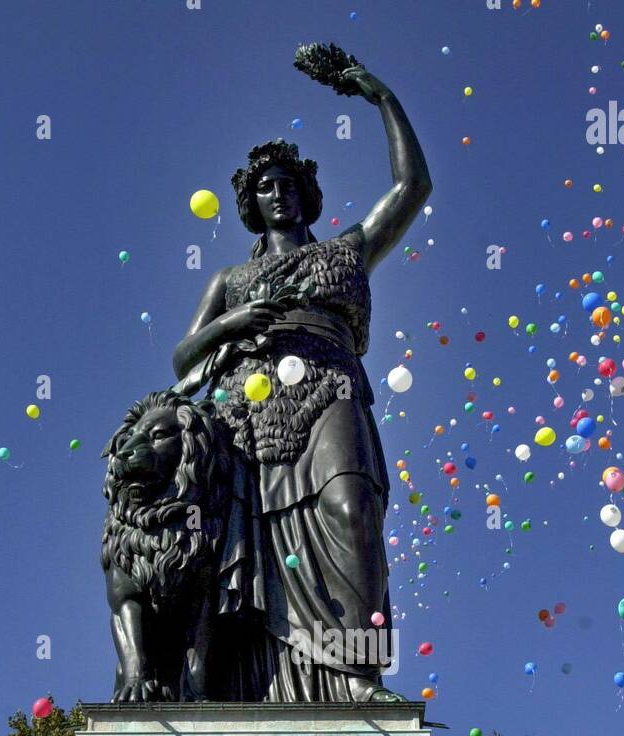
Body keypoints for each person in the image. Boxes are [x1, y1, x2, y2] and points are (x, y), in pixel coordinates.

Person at [170, 60, 432, 703]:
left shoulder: (344, 253)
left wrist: (379, 93)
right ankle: (248, 682)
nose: (278, 192)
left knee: (353, 509)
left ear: (306, 192)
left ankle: (360, 673)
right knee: (249, 545)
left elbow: (412, 187)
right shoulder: (228, 280)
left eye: (288, 182)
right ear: (250, 204)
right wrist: (234, 321)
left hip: (331, 389)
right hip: (250, 415)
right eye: (264, 186)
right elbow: (184, 360)